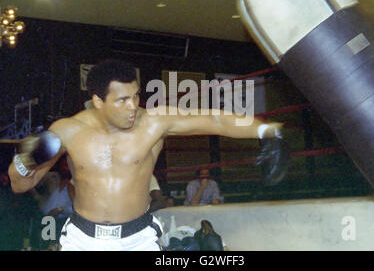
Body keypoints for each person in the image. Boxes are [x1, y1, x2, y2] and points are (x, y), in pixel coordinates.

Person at [8, 59, 288, 251]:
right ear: (97, 101)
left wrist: (266, 130)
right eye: (121, 100)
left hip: (138, 238)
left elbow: (213, 119)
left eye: (135, 95)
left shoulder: (154, 122)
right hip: (83, 239)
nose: (133, 106)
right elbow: (21, 184)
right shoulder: (68, 131)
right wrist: (25, 159)